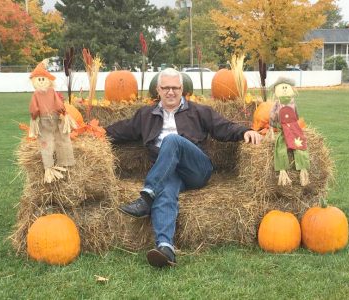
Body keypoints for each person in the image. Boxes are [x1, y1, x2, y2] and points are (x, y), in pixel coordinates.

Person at [105, 68, 262, 267]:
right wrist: (93, 133)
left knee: (172, 140)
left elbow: (224, 127)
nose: (171, 92)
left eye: (175, 88)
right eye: (166, 88)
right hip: (168, 173)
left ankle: (146, 197)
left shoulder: (199, 111)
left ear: (182, 89)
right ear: (158, 90)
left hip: (197, 169)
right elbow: (120, 130)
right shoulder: (145, 115)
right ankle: (165, 248)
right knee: (166, 191)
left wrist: (245, 131)